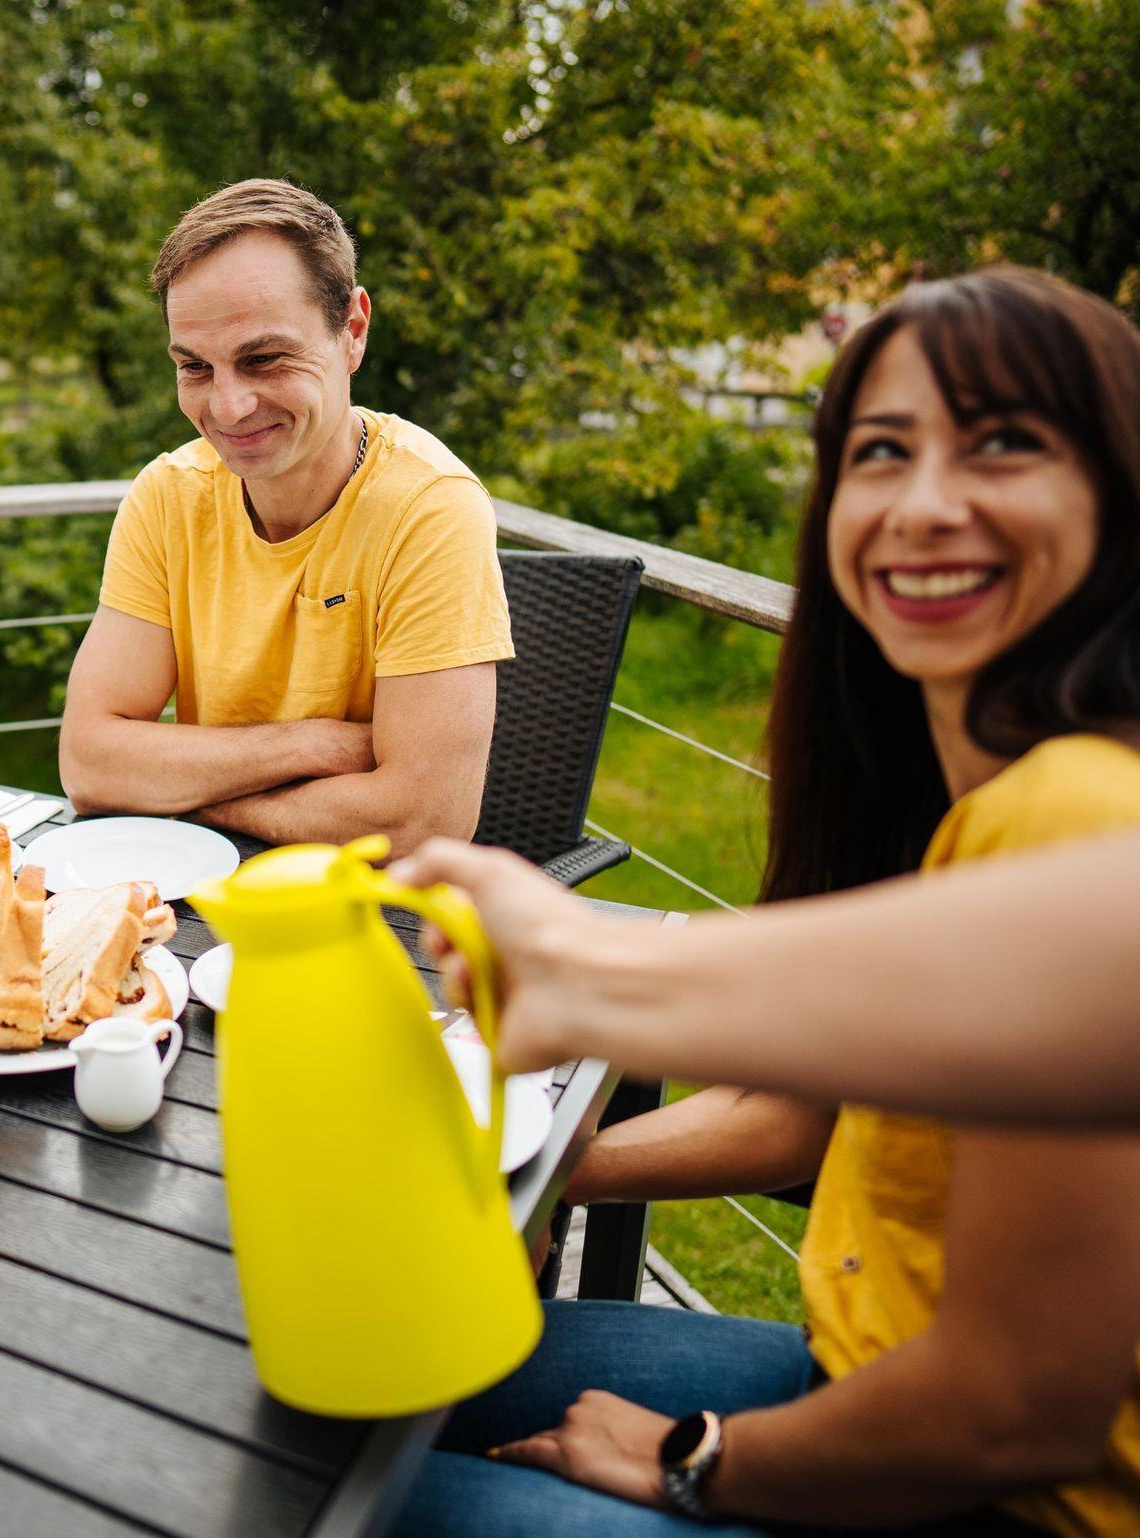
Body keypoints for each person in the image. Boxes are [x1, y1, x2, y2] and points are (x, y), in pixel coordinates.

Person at [392, 266, 1140, 1537]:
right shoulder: (945, 789)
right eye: (879, 450)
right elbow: (804, 1112)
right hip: (854, 1364)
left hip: (998, 1497)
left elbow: (1010, 1409)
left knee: (304, 1497)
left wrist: (694, 1456)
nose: (923, 504)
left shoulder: (1077, 802)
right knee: (378, 1378)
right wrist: (542, 1173)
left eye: (1002, 443)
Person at [58, 179, 513, 855]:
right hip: (200, 889)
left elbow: (422, 822)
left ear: (352, 332)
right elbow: (89, 764)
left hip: (362, 906)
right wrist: (313, 746)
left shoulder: (429, 508)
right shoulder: (168, 495)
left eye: (264, 358)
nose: (228, 407)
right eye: (194, 367)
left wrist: (190, 794)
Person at [390, 830, 1140, 1127]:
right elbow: (813, 1118)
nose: (923, 534)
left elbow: (1020, 1391)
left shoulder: (1067, 805)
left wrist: (710, 1442)